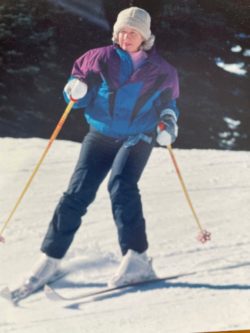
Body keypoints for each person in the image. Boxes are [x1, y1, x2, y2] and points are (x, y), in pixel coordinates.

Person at [22, 6, 180, 293]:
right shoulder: (97, 59)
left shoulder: (162, 72)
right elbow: (76, 90)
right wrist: (75, 90)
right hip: (101, 133)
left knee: (121, 186)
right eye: (121, 30)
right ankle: (51, 257)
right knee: (76, 193)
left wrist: (168, 124)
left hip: (137, 137)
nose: (125, 36)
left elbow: (168, 105)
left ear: (144, 36)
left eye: (132, 32)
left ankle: (137, 258)